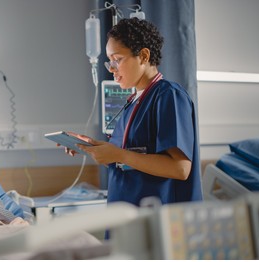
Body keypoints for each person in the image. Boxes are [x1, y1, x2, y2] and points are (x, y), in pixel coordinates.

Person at [68, 18, 202, 207]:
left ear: (144, 56)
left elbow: (180, 168)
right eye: (109, 62)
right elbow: (129, 161)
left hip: (158, 218)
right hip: (126, 212)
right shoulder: (133, 102)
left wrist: (119, 155)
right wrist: (92, 147)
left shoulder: (168, 96)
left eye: (117, 59)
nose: (112, 69)